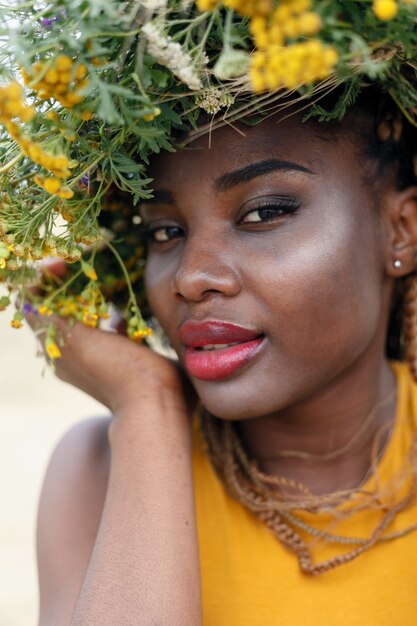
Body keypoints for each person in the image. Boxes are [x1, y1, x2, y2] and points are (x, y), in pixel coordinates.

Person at [2, 1, 417, 624]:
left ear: (402, 230)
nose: (193, 278)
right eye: (165, 231)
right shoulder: (98, 469)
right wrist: (148, 405)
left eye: (265, 212)